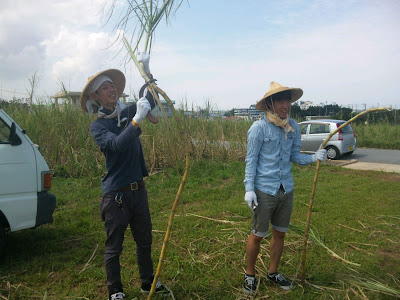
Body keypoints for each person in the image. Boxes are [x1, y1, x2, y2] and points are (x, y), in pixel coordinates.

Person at [80, 53, 166, 300]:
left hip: (138, 190)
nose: (111, 89)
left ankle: (147, 282)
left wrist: (147, 71)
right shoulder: (98, 127)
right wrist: (138, 119)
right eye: (105, 87)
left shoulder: (126, 113)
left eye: (112, 85)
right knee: (114, 246)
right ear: (95, 97)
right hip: (116, 194)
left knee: (144, 240)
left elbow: (151, 97)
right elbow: (117, 144)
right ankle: (115, 290)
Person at [242, 82, 327, 294]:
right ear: (270, 103)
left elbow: (294, 156)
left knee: (280, 234)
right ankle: (250, 274)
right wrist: (249, 188)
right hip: (264, 190)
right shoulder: (258, 129)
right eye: (281, 100)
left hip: (285, 189)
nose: (285, 105)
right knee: (258, 234)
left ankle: (273, 272)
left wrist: (313, 157)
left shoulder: (294, 127)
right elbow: (251, 160)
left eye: (288, 100)